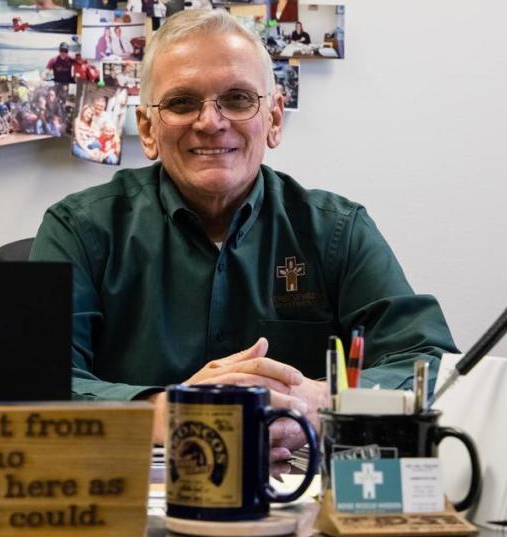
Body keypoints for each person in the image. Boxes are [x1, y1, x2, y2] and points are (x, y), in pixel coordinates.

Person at [29, 10, 456, 457]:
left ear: (273, 120)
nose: (210, 121)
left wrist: (319, 403)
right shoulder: (78, 229)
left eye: (236, 99)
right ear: (148, 129)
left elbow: (432, 364)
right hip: (132, 494)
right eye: (181, 103)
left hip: (303, 491)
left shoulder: (338, 231)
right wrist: (171, 412)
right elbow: (34, 381)